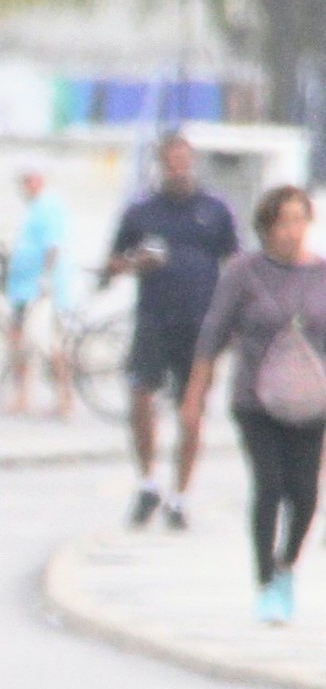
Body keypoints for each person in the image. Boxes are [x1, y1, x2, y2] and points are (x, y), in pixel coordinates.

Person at [180, 185, 326, 623]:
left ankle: (286, 568)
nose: (291, 231)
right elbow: (213, 335)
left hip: (311, 400)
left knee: (304, 494)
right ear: (266, 227)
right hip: (255, 400)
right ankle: (264, 582)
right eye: (282, 222)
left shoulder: (321, 274)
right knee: (270, 484)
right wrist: (195, 397)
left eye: (299, 220)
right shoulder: (244, 273)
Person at [104, 130, 237, 528]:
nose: (177, 168)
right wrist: (134, 263)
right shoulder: (142, 210)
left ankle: (180, 497)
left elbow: (235, 264)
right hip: (153, 319)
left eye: (183, 161)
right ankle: (148, 483)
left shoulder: (214, 210)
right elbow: (112, 262)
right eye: (170, 161)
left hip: (200, 324)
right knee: (140, 398)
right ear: (160, 164)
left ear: (192, 162)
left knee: (191, 412)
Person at [5, 160, 75, 417]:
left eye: (29, 179)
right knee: (19, 340)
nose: (25, 186)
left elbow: (53, 246)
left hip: (40, 289)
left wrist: (46, 278)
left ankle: (64, 398)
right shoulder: (36, 207)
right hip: (24, 286)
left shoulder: (48, 206)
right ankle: (23, 396)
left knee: (46, 344)